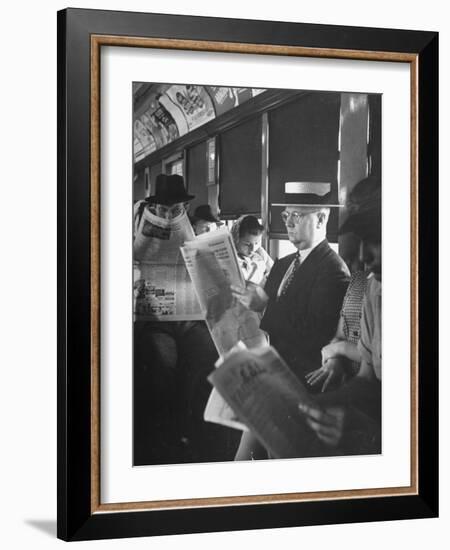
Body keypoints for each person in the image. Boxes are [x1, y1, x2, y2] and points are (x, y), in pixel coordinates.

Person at [233, 181, 350, 460]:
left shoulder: (333, 270)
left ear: (321, 218)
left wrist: (265, 305)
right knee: (243, 449)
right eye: (286, 216)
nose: (289, 223)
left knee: (263, 446)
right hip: (275, 367)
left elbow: (315, 333)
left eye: (297, 216)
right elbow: (272, 311)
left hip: (302, 377)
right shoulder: (283, 264)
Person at [133, 174, 223, 464]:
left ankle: (191, 424)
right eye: (164, 211)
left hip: (190, 317)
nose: (170, 215)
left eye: (177, 210)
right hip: (157, 318)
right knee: (163, 360)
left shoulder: (196, 235)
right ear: (154, 209)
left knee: (207, 353)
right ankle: (166, 429)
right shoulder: (138, 229)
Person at [299, 183, 382, 453]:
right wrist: (314, 405)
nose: (363, 258)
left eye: (378, 237)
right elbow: (369, 380)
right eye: (362, 238)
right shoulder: (373, 288)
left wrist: (361, 423)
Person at [231, 215, 274, 285]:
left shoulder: (260, 252)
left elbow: (274, 272)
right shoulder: (230, 257)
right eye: (247, 244)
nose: (252, 249)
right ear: (235, 240)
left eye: (256, 243)